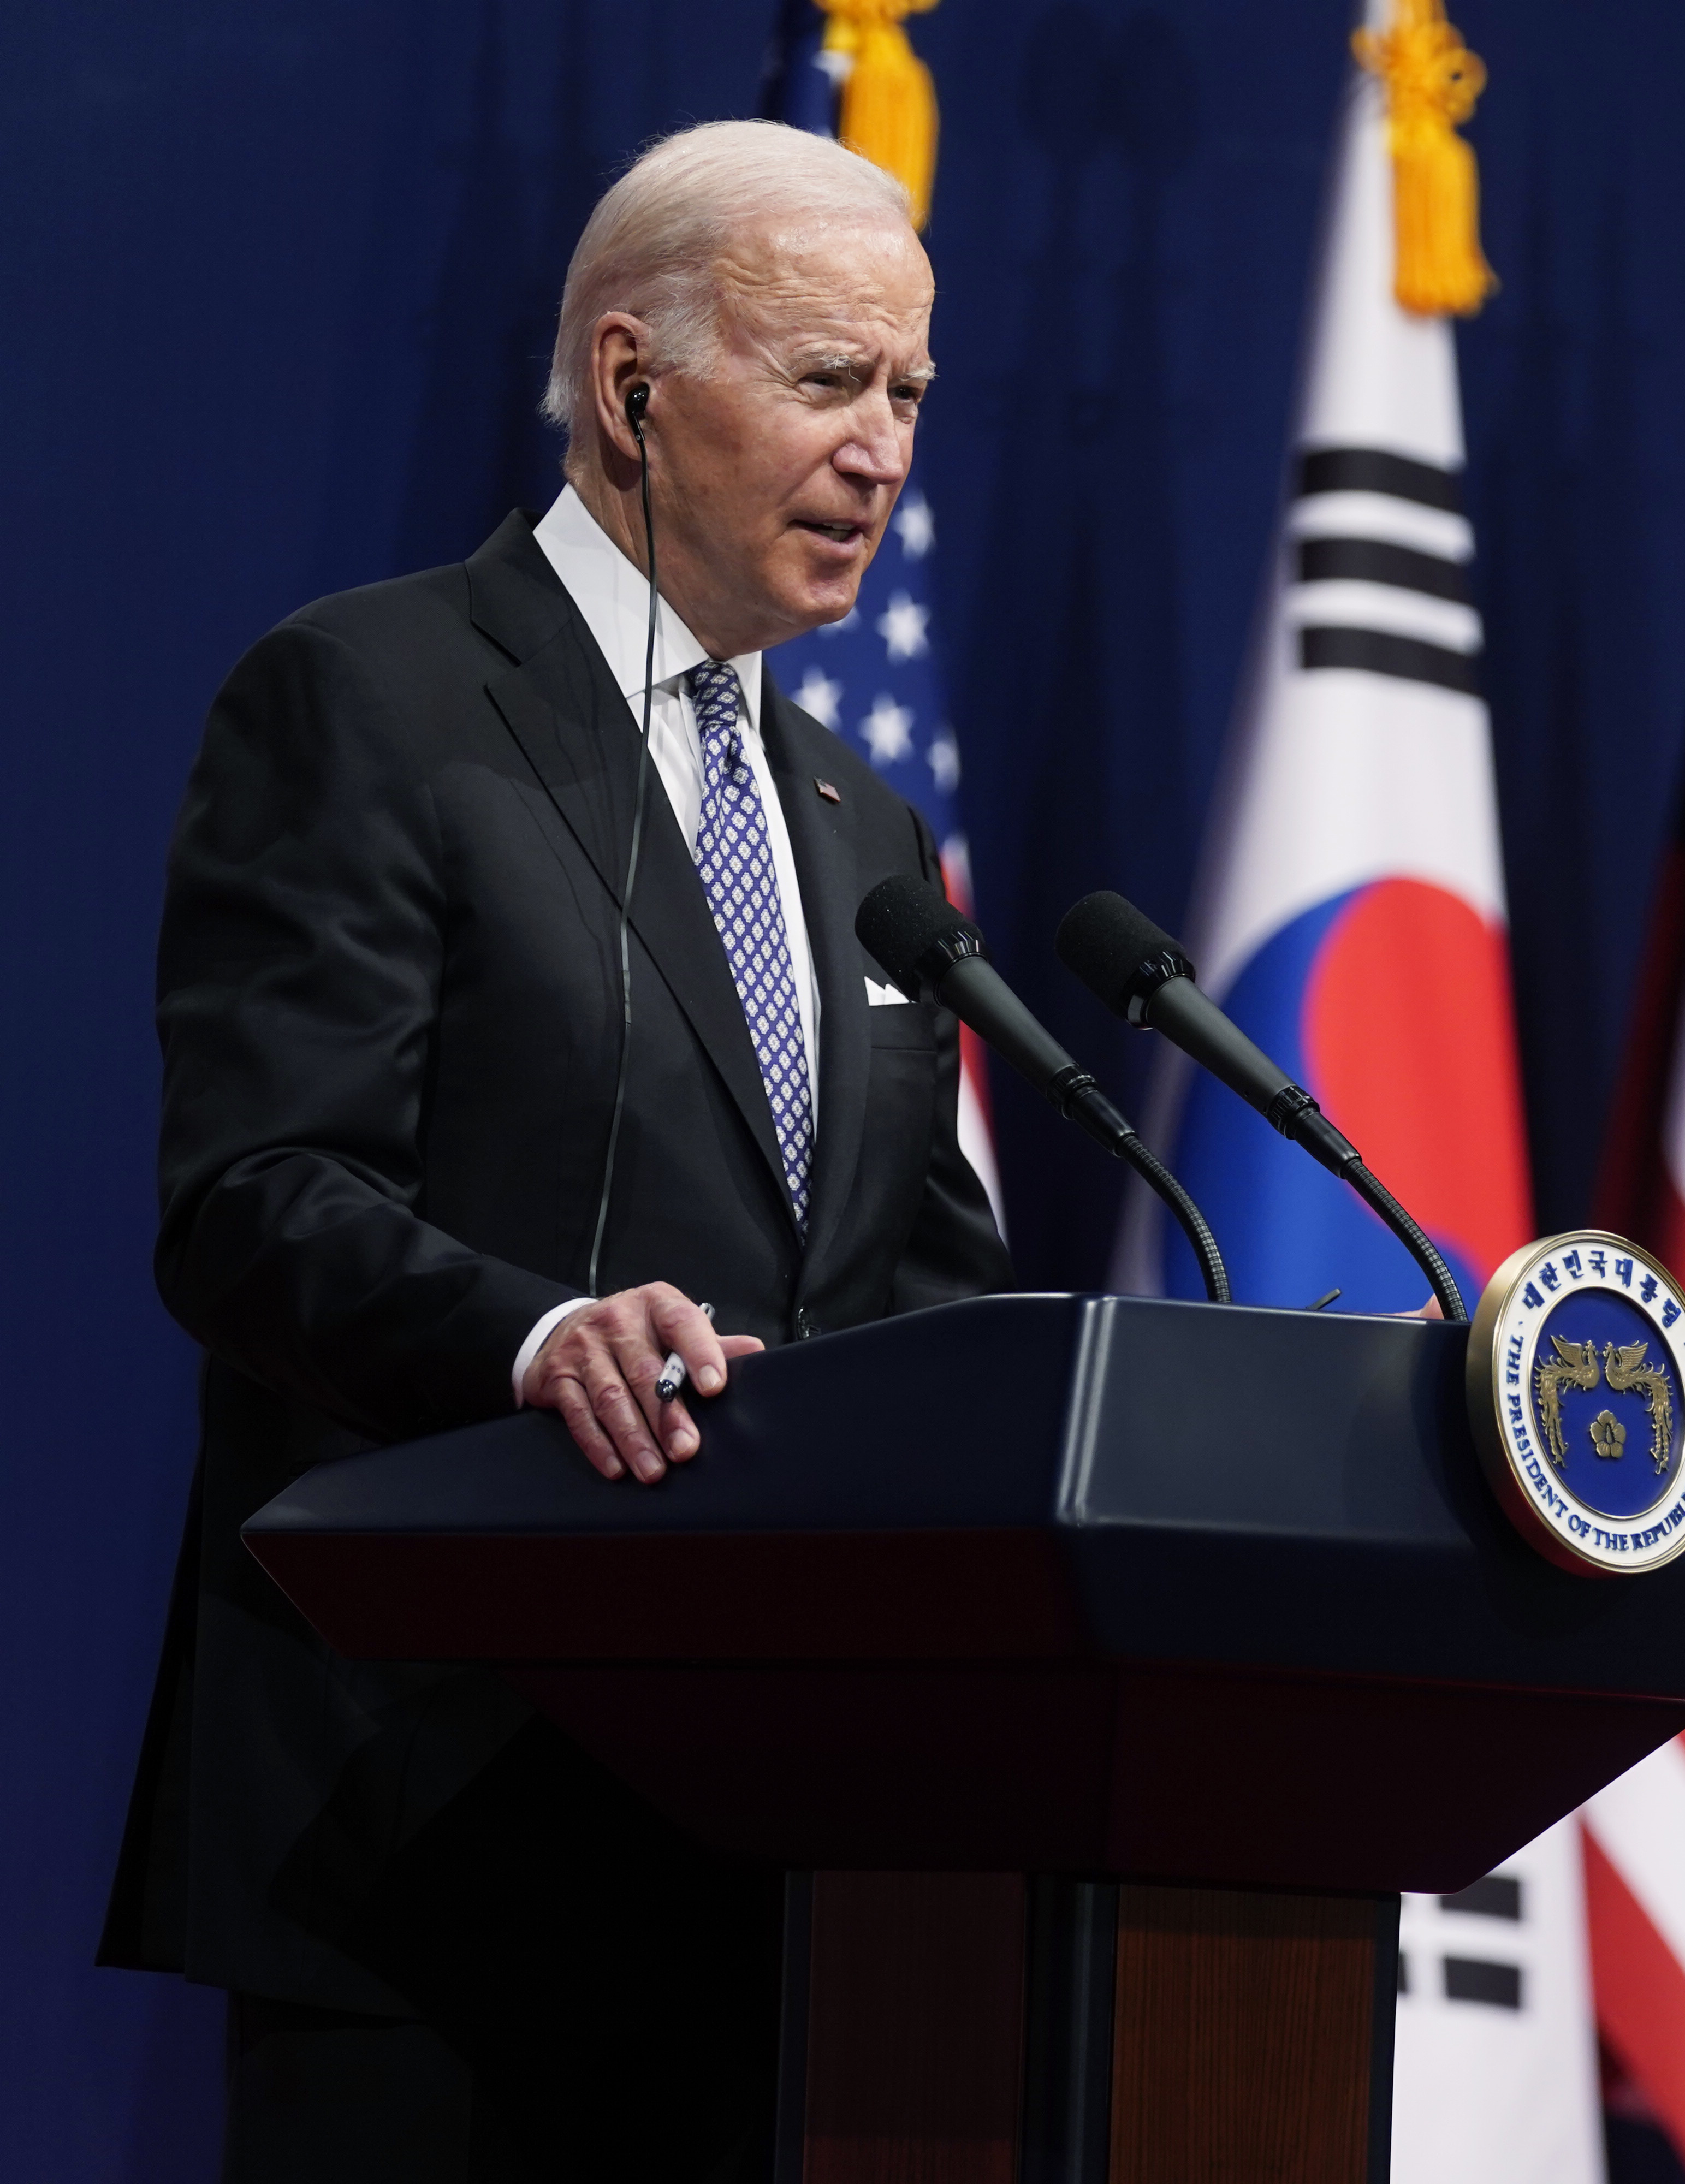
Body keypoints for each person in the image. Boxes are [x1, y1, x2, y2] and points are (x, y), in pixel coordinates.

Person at [98, 120, 1010, 2181]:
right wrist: (535, 1341)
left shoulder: (863, 831)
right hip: (426, 1824)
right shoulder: (374, 698)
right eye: (825, 382)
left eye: (909, 396)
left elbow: (912, 1293)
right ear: (629, 384)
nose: (883, 451)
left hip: (771, 1859)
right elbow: (252, 1204)